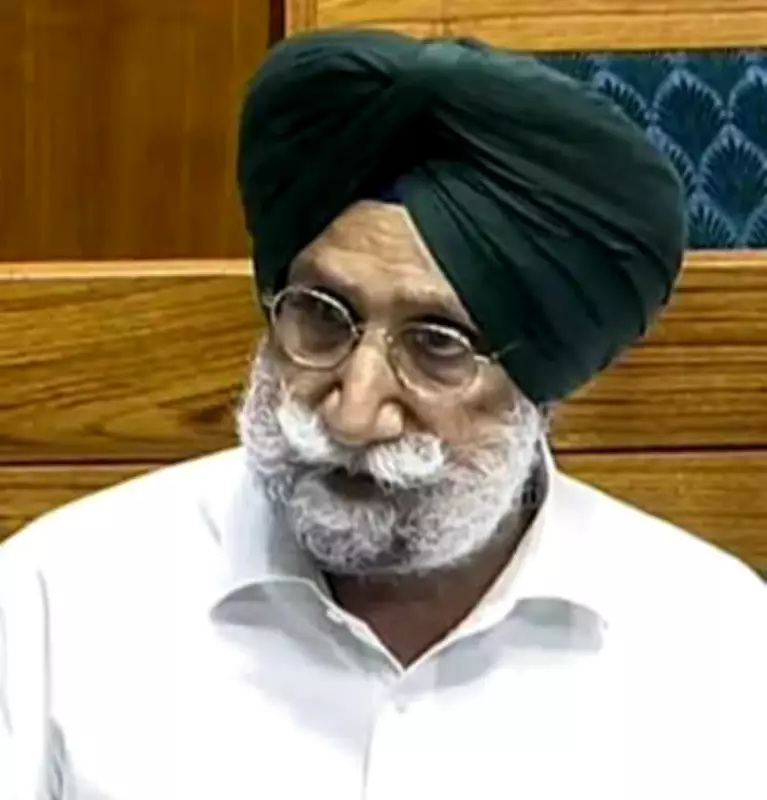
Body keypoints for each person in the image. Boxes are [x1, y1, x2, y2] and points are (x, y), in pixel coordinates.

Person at [1, 29, 764, 800]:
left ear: (541, 381)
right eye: (321, 316)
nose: (354, 412)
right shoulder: (61, 599)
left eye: (437, 345)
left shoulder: (714, 648)